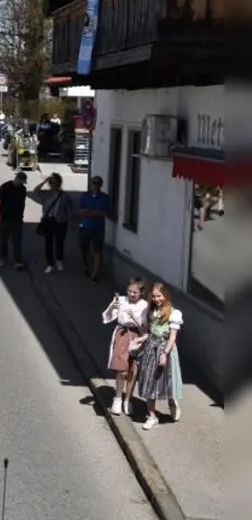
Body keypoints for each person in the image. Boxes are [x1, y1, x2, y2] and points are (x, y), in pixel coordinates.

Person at [131, 283, 184, 429]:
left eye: (159, 296)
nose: (156, 299)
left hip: (166, 349)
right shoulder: (150, 311)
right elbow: (150, 332)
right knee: (149, 382)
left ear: (165, 295)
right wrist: (142, 338)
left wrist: (165, 353)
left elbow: (172, 337)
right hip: (150, 350)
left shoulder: (174, 313)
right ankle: (152, 416)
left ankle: (172, 401)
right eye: (154, 296)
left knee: (168, 381)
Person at [102, 280, 149, 418]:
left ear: (141, 293)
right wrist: (112, 307)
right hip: (122, 334)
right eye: (130, 291)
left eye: (135, 292)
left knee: (133, 371)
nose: (131, 294)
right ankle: (117, 398)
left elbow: (145, 327)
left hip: (137, 337)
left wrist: (134, 318)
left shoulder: (144, 305)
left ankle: (128, 399)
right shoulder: (121, 300)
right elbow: (107, 317)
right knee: (121, 369)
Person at [30, 173, 72, 273]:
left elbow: (69, 210)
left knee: (59, 242)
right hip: (48, 221)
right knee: (48, 242)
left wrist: (68, 219)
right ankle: (50, 263)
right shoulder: (46, 194)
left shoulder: (64, 196)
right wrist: (44, 181)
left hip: (60, 222)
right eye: (51, 182)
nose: (53, 184)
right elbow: (35, 191)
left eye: (55, 182)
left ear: (59, 183)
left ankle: (59, 260)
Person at [75, 176, 114, 281]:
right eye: (94, 182)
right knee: (83, 251)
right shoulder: (85, 196)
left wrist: (89, 212)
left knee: (98, 251)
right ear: (91, 184)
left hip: (98, 228)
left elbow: (102, 213)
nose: (95, 185)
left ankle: (95, 274)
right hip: (84, 227)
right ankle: (88, 268)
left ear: (101, 185)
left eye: (98, 183)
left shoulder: (105, 197)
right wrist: (91, 212)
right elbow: (81, 211)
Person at [0, 171, 29, 270]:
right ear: (17, 179)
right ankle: (3, 258)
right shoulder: (5, 187)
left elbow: (22, 203)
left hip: (17, 219)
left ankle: (17, 261)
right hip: (5, 218)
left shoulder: (22, 189)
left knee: (17, 241)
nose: (22, 183)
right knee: (4, 239)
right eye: (22, 181)